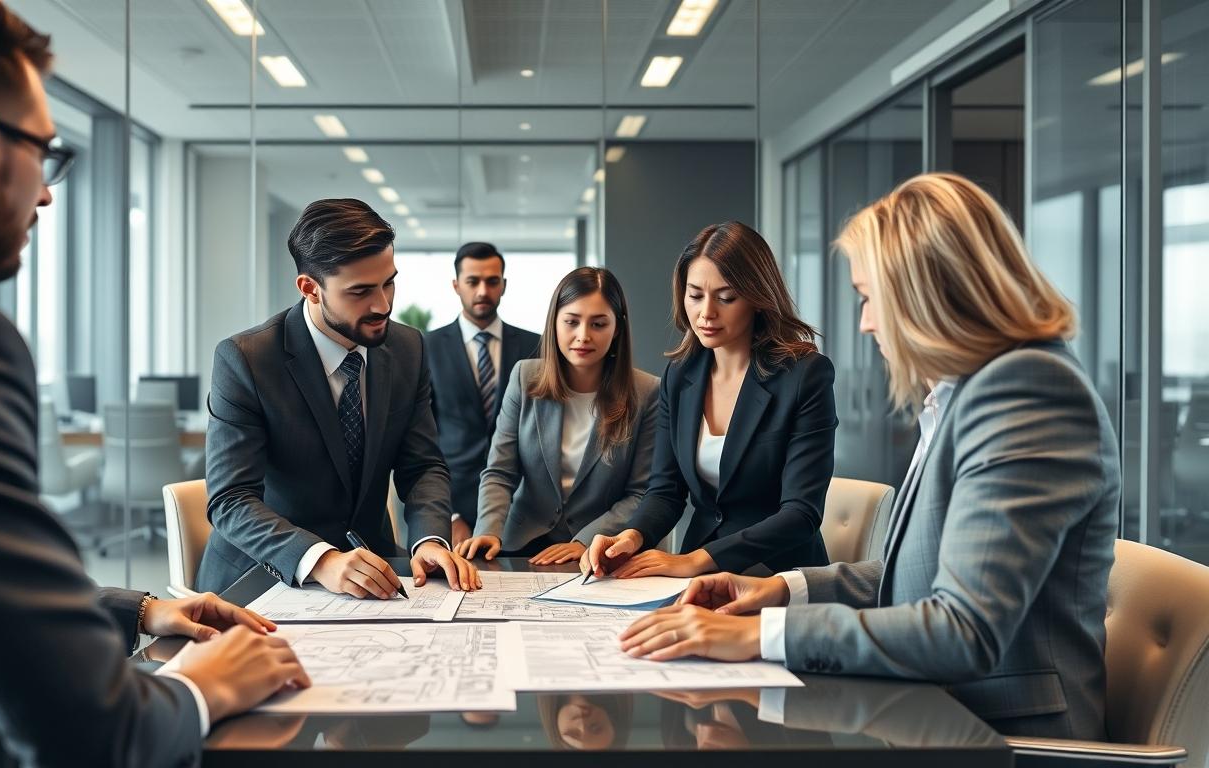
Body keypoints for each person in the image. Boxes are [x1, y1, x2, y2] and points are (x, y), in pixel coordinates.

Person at [0, 1, 309, 765]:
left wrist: (136, 609)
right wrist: (205, 687)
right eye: (48, 153)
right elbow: (89, 728)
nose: (45, 194)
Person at [618, 173, 1119, 741]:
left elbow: (963, 630)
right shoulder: (967, 394)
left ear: (928, 289)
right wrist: (780, 592)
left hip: (1006, 735)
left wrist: (760, 636)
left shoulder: (1028, 393)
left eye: (869, 296)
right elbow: (917, 575)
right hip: (930, 712)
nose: (866, 321)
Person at [197, 198, 479, 597]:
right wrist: (321, 560)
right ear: (310, 288)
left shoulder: (407, 348)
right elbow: (230, 498)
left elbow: (423, 466)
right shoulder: (247, 360)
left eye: (389, 282)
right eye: (360, 291)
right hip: (264, 579)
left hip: (376, 569)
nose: (383, 305)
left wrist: (430, 540)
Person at [583, 221, 837, 579]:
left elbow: (800, 514)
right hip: (696, 574)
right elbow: (665, 491)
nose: (706, 313)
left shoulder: (805, 375)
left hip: (778, 574)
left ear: (757, 298)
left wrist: (697, 560)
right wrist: (630, 535)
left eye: (726, 297)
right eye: (695, 294)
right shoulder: (680, 375)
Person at [454, 267, 658, 564]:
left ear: (617, 329)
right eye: (571, 322)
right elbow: (500, 471)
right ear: (555, 323)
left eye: (599, 324)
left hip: (600, 550)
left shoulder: (647, 391)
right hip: (521, 544)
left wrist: (585, 542)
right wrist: (488, 530)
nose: (583, 336)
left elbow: (641, 492)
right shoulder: (525, 377)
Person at [424, 242, 540, 547]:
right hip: (452, 510)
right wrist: (447, 516)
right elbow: (420, 443)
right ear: (456, 285)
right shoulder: (426, 348)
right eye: (472, 281)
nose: (482, 291)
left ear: (504, 284)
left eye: (492, 281)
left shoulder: (536, 347)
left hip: (524, 512)